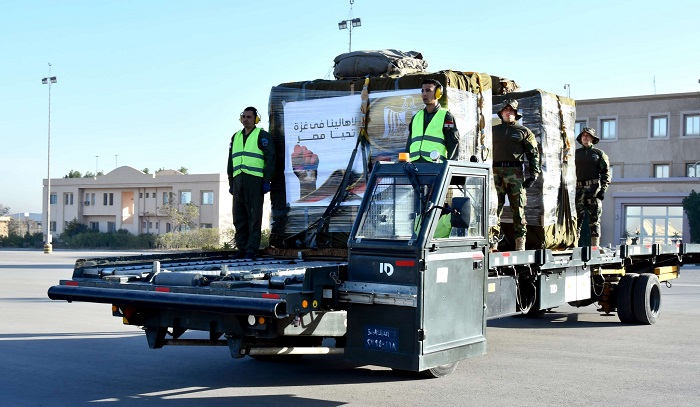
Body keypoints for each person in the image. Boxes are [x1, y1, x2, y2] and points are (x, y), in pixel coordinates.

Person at [491, 99, 541, 251]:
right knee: (494, 209)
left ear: (516, 114)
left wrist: (534, 174)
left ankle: (520, 245)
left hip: (515, 173)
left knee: (518, 210)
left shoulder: (524, 132)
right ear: (501, 114)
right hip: (496, 172)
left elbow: (533, 154)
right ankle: (492, 243)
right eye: (506, 110)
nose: (508, 113)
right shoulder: (493, 131)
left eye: (511, 111)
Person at [227, 106, 275, 260]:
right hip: (238, 180)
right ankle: (241, 248)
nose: (246, 119)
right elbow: (230, 160)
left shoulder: (262, 136)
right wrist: (231, 181)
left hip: (254, 181)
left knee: (254, 217)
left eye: (249, 117)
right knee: (238, 217)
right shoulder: (236, 137)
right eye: (244, 116)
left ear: (256, 119)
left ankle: (251, 250)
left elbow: (271, 159)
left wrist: (266, 180)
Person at [405, 79, 460, 162]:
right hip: (414, 168)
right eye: (422, 91)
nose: (424, 94)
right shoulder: (416, 117)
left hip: (435, 168)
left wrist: (450, 167)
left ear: (438, 93)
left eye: (428, 91)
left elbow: (452, 145)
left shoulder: (446, 116)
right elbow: (409, 144)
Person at [575, 127, 610, 247]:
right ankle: (574, 244)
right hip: (578, 189)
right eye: (583, 135)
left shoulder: (599, 154)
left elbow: (605, 172)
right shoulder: (575, 154)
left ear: (592, 139)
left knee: (594, 219)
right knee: (576, 219)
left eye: (588, 135)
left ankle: (595, 246)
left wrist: (603, 189)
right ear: (580, 138)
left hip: (593, 189)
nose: (585, 137)